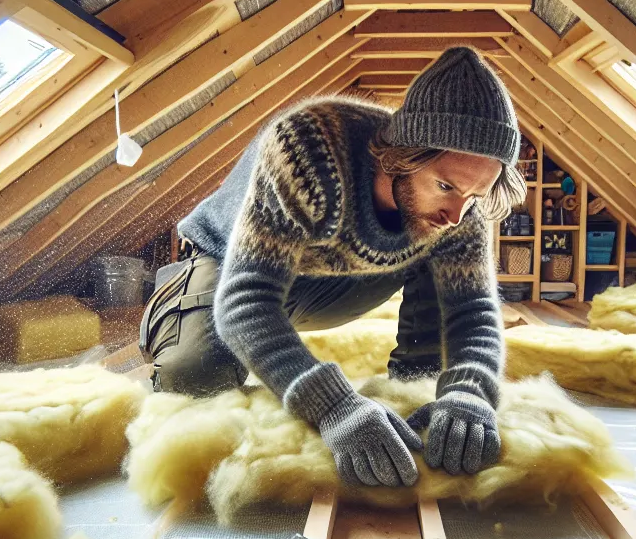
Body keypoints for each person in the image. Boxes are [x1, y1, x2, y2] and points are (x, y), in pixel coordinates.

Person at [137, 45, 526, 487]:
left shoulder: (462, 197)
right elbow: (248, 301)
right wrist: (334, 406)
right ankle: (170, 313)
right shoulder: (308, 147)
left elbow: (473, 311)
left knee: (436, 258)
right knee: (193, 379)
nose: (457, 213)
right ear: (404, 155)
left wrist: (469, 392)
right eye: (446, 187)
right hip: (229, 263)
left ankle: (417, 380)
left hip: (332, 277)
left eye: (474, 196)